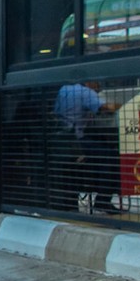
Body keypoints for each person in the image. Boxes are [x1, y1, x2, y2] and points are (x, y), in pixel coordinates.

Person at [53, 79, 119, 213]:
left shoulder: (64, 89)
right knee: (110, 157)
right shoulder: (85, 92)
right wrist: (125, 104)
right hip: (77, 140)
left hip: (63, 140)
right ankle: (103, 201)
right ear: (90, 82)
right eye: (98, 84)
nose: (99, 88)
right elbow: (106, 108)